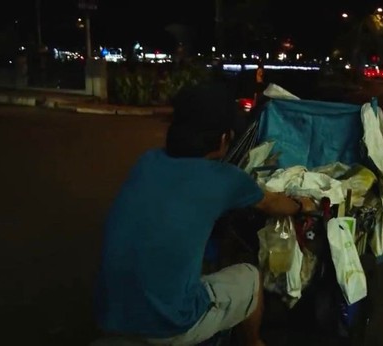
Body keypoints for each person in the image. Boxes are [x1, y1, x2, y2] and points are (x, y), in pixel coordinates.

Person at [95, 83, 316, 346]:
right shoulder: (225, 179)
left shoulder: (147, 161)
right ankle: (254, 343)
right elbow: (274, 204)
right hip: (168, 326)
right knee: (251, 277)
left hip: (111, 316)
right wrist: (304, 205)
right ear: (224, 139)